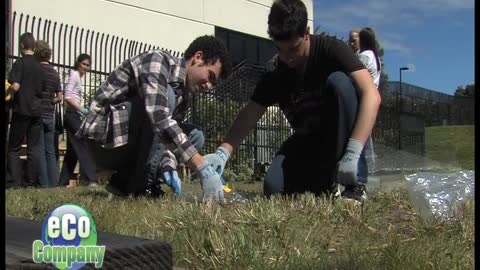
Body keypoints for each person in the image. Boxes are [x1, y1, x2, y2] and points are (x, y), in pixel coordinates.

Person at [205, 0, 381, 202]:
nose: (287, 58)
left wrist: (353, 151)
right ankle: (326, 184)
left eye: (294, 49)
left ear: (306, 33)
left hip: (339, 137)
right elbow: (250, 113)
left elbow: (371, 94)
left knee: (341, 82)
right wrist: (222, 152)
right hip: (308, 142)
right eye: (280, 49)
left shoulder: (331, 50)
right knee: (274, 187)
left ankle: (355, 185)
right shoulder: (277, 72)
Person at [78, 35, 232, 202]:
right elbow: (159, 117)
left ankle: (129, 182)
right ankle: (140, 184)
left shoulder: (185, 96)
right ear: (198, 57)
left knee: (196, 135)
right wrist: (201, 166)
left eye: (213, 84)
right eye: (210, 76)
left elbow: (165, 141)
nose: (208, 86)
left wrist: (168, 165)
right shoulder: (158, 61)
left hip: (129, 141)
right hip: (102, 139)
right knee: (166, 100)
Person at [6, 33, 45, 188]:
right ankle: (31, 182)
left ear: (22, 45)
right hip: (37, 111)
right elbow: (43, 89)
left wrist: (8, 94)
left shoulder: (20, 63)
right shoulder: (40, 66)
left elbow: (15, 85)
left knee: (14, 147)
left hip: (22, 109)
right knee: (33, 148)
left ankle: (13, 182)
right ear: (33, 47)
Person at [58, 54, 97, 187]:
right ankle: (91, 178)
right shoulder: (74, 75)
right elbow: (67, 96)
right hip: (72, 115)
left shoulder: (78, 78)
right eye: (84, 64)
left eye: (88, 65)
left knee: (72, 152)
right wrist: (81, 109)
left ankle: (62, 182)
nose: (85, 67)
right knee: (82, 143)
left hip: (75, 114)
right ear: (78, 63)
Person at [34, 40, 63, 188]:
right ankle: (53, 182)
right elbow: (60, 97)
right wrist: (51, 101)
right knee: (50, 151)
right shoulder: (54, 73)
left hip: (38, 113)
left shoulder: (35, 70)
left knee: (39, 149)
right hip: (50, 114)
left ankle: (43, 184)